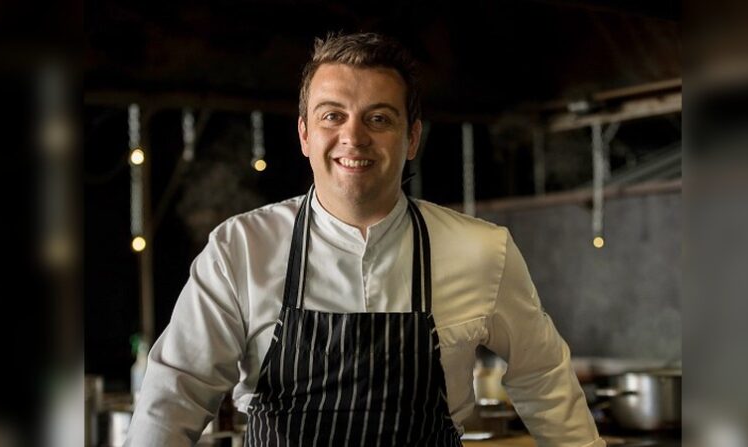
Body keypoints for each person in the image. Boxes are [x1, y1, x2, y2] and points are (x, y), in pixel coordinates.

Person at [125, 32, 604, 447]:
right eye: (333, 116)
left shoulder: (481, 250)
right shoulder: (241, 247)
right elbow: (176, 393)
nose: (353, 137)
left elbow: (544, 378)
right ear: (304, 134)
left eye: (379, 119)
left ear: (412, 138)